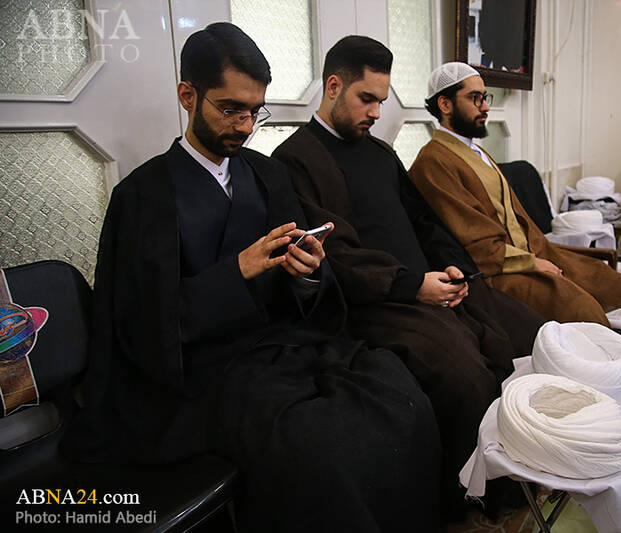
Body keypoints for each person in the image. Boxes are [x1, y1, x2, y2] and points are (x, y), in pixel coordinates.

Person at [60, 23, 441, 532]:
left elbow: (305, 289)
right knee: (321, 450)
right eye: (230, 109)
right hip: (205, 371)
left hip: (287, 344)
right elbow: (141, 326)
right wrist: (236, 272)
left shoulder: (267, 174)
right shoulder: (143, 197)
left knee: (401, 400)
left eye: (255, 111)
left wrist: (308, 274)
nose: (244, 125)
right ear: (188, 96)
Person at [272, 36, 545, 518]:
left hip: (431, 284)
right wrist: (412, 285)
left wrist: (453, 267)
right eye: (367, 99)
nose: (376, 113)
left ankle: (517, 472)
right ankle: (466, 498)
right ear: (333, 87)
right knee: (463, 375)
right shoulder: (295, 160)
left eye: (381, 100)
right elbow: (334, 253)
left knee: (526, 336)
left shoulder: (380, 153)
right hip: (374, 301)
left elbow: (424, 221)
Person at [408, 62, 621, 325]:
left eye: (485, 97)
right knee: (579, 307)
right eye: (475, 98)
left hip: (527, 255)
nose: (485, 107)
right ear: (445, 104)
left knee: (611, 282)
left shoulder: (474, 151)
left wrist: (543, 256)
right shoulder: (433, 161)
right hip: (495, 272)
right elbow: (475, 242)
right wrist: (532, 264)